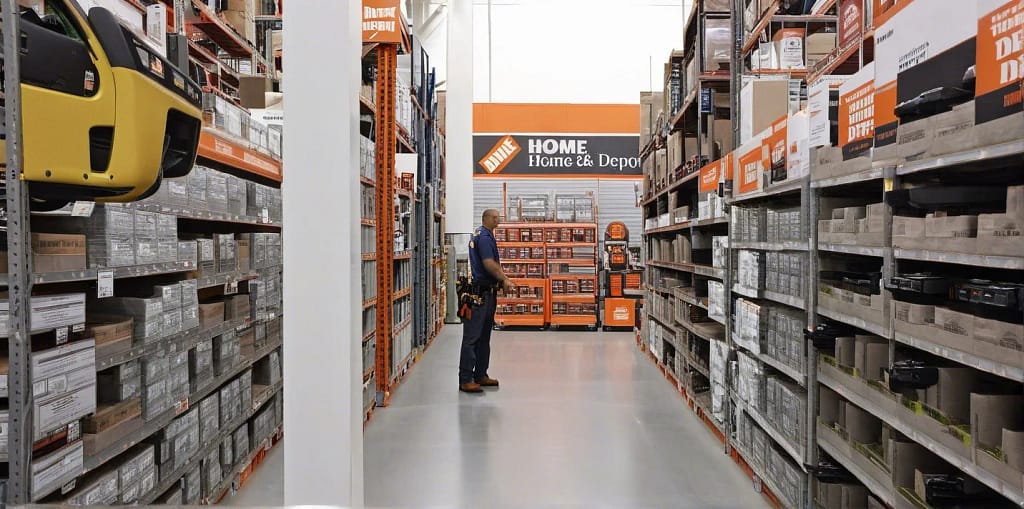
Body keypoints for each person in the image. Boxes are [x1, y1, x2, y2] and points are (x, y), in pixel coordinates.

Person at [459, 209, 514, 393]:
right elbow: (489, 263)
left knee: (484, 336)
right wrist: (504, 279)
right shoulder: (483, 238)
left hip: (487, 293)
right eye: (495, 217)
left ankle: (481, 375)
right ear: (487, 218)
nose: (499, 219)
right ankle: (466, 379)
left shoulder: (483, 235)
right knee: (473, 337)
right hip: (479, 295)